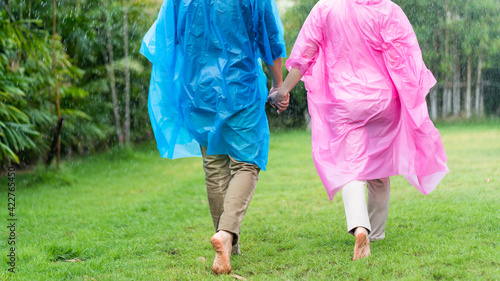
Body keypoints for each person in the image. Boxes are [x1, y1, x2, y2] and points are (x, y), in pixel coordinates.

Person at [269, 0, 449, 261]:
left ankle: (360, 228)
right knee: (380, 168)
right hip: (383, 101)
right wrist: (412, 94)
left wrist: (283, 89)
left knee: (350, 167)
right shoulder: (387, 9)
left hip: (345, 102)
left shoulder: (326, 8)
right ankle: (375, 232)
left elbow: (304, 55)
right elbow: (405, 57)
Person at [140, 0, 286, 274]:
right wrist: (278, 83)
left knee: (215, 165)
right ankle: (226, 234)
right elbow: (269, 37)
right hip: (239, 86)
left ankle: (227, 243)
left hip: (198, 89)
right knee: (247, 163)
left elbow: (166, 38)